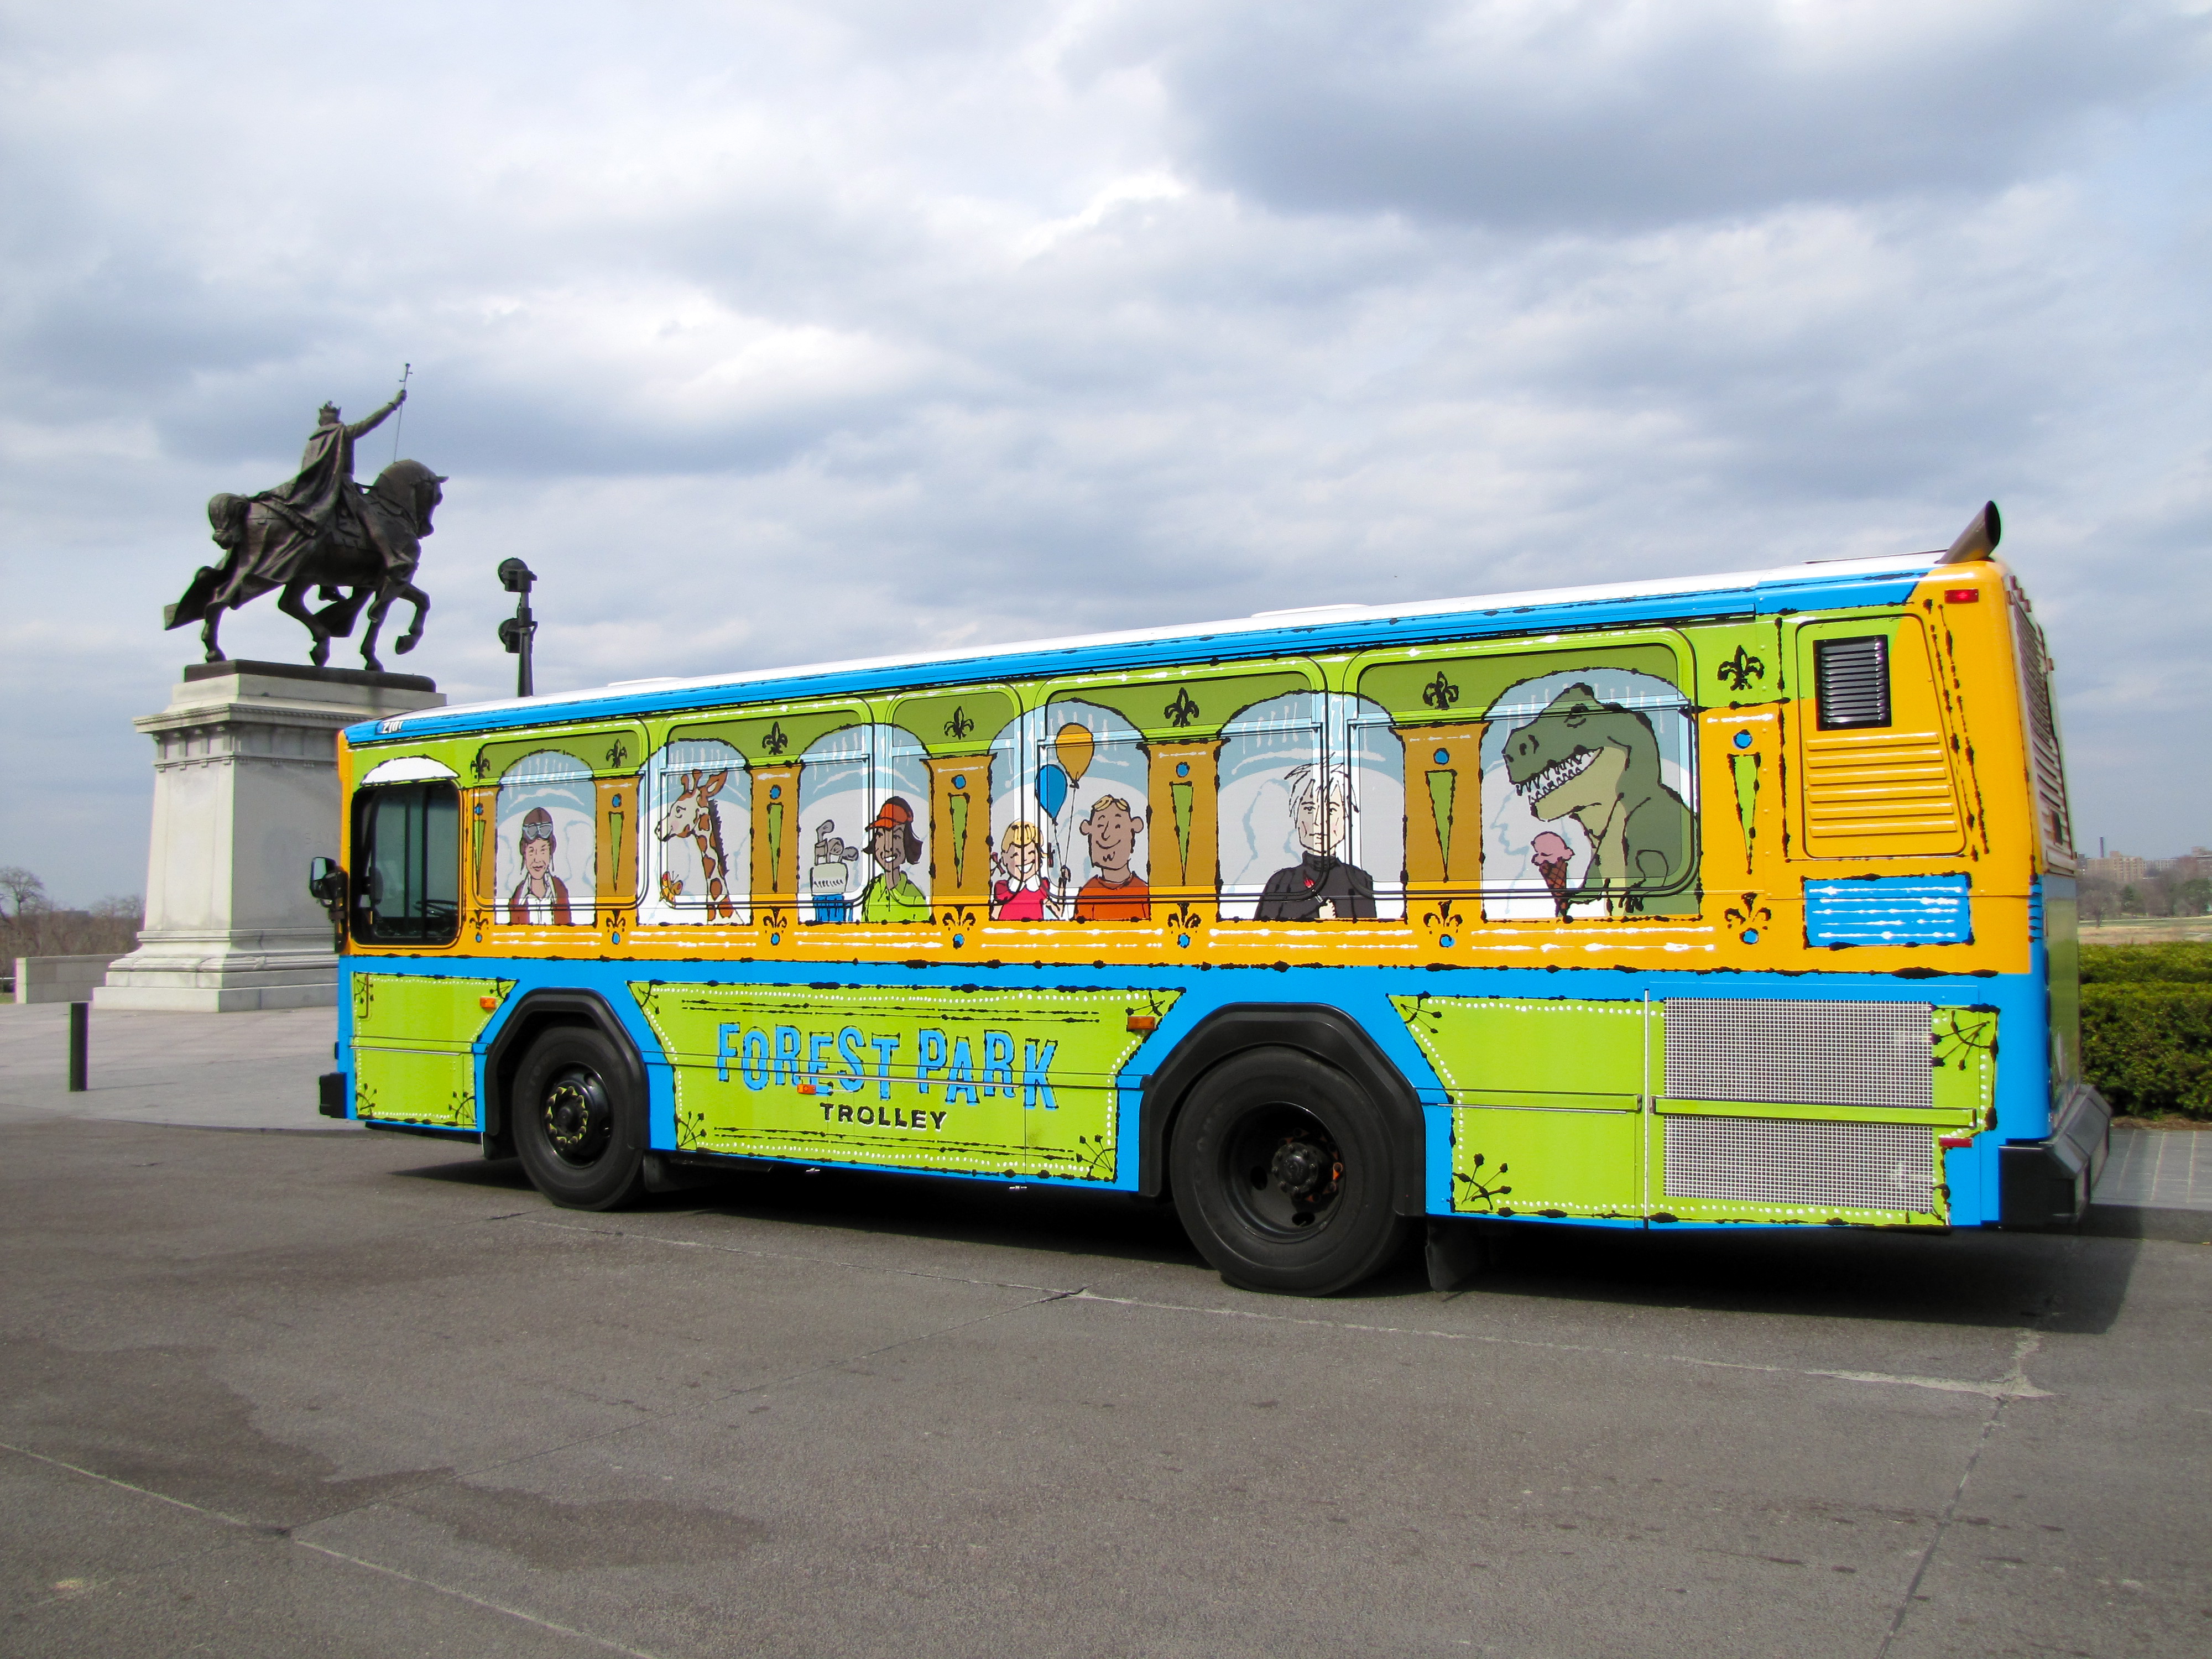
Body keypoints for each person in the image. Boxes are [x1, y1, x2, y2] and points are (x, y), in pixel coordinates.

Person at [260, 389, 408, 556]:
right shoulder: (342, 432)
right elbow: (370, 423)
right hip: (340, 486)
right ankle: (390, 557)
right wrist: (394, 404)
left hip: (314, 489)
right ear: (335, 420)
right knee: (368, 515)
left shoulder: (314, 439)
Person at [1255, 765, 1375, 921]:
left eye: (1331, 810)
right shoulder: (1281, 882)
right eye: (1309, 809)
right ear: (1296, 817)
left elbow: (1368, 932)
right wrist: (1317, 919)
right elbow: (1262, 932)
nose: (1318, 821)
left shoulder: (1359, 880)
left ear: (1346, 819)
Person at [1074, 795, 1149, 920]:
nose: (1106, 835)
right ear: (1088, 830)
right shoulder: (1088, 893)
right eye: (1100, 826)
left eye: (1118, 826)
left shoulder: (1143, 891)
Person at [857, 797, 929, 923]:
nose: (888, 847)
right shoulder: (872, 889)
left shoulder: (914, 897)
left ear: (907, 843)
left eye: (896, 836)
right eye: (881, 835)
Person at [507, 807, 575, 925]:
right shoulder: (517, 897)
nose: (537, 859)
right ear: (524, 854)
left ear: (550, 852)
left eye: (543, 851)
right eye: (531, 851)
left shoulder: (560, 891)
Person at [989, 822, 1065, 920]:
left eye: (1031, 853)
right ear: (1005, 858)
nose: (1025, 859)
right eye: (1016, 855)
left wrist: (1062, 885)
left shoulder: (1042, 886)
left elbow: (1059, 912)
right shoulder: (1002, 887)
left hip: (1035, 929)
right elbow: (994, 916)